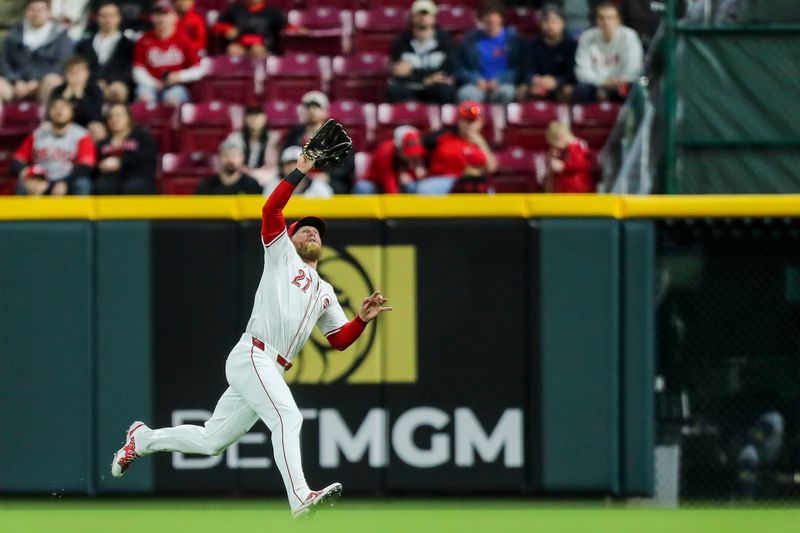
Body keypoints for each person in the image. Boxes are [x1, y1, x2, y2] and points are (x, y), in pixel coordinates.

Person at [111, 146, 392, 519]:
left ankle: (142, 439)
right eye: (304, 229)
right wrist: (300, 170)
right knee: (288, 418)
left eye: (317, 232)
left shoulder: (325, 290)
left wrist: (362, 319)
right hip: (253, 354)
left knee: (213, 441)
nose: (312, 232)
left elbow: (338, 340)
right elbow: (271, 210)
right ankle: (301, 498)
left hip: (270, 368)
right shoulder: (281, 255)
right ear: (289, 238)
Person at [12, 96, 96, 196]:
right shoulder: (38, 134)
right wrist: (27, 172)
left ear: (72, 112)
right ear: (50, 113)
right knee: (23, 183)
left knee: (82, 184)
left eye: (63, 107)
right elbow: (17, 160)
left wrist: (65, 182)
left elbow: (85, 167)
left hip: (68, 179)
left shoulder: (81, 135)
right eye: (55, 107)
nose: (59, 111)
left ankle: (79, 212)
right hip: (40, 178)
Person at [133, 0, 207, 105]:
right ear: (152, 17)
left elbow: (199, 70)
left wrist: (179, 76)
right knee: (143, 96)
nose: (161, 19)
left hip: (176, 86)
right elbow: (138, 69)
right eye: (157, 14)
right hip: (150, 85)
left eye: (165, 14)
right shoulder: (143, 40)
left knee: (173, 98)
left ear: (175, 17)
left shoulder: (183, 40)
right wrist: (154, 83)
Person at [0, 0, 73, 104]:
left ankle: (46, 118)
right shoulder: (14, 34)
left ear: (48, 12)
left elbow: (61, 64)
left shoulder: (60, 36)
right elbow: (4, 62)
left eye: (40, 10)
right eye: (32, 10)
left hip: (43, 83)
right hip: (16, 84)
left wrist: (37, 82)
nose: (35, 14)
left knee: (53, 81)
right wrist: (16, 81)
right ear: (25, 12)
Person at [282, 91, 355, 194]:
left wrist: (328, 175)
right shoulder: (294, 134)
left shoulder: (337, 135)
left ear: (326, 111)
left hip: (328, 181)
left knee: (336, 187)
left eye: (316, 107)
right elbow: (285, 158)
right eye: (308, 107)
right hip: (299, 178)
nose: (312, 111)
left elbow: (347, 164)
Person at [386, 0, 457, 105]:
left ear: (434, 18)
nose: (423, 17)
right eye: (419, 14)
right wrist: (427, 78)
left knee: (443, 90)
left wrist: (412, 72)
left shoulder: (446, 41)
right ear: (412, 17)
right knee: (396, 90)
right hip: (409, 85)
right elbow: (398, 71)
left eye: (426, 13)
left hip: (435, 85)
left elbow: (447, 69)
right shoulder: (400, 41)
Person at [420, 100, 496, 194]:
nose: (468, 125)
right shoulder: (443, 136)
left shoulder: (481, 143)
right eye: (465, 120)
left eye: (472, 121)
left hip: (468, 183)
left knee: (488, 192)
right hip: (442, 181)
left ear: (481, 123)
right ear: (458, 121)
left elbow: (491, 167)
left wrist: (480, 142)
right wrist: (419, 166)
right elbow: (419, 149)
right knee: (424, 189)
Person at [574, 1, 643, 103]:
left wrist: (618, 82)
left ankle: (630, 118)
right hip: (597, 84)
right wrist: (603, 83)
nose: (606, 22)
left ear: (618, 20)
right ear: (596, 21)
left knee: (635, 88)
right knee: (582, 89)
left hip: (622, 83)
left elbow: (634, 69)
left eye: (610, 18)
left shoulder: (629, 36)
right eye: (601, 18)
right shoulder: (587, 37)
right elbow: (581, 71)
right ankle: (583, 118)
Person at [456, 0, 522, 105]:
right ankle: (475, 121)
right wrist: (475, 79)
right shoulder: (470, 39)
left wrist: (499, 80)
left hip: (502, 84)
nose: (491, 19)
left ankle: (501, 121)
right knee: (465, 93)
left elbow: (519, 68)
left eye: (495, 15)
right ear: (481, 18)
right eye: (487, 15)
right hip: (477, 85)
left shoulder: (513, 39)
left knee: (507, 92)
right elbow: (459, 69)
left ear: (502, 18)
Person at [75, 0, 135, 104]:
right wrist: (95, 82)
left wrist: (106, 82)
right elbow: (79, 66)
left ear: (119, 18)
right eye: (103, 16)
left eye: (111, 16)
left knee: (119, 90)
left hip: (114, 84)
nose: (107, 19)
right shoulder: (85, 44)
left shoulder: (128, 45)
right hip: (88, 84)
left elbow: (128, 70)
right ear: (97, 18)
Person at [94, 103, 158, 194]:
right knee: (100, 186)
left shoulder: (142, 137)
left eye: (118, 115)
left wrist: (121, 162)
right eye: (111, 117)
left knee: (132, 187)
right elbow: (96, 163)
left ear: (128, 118)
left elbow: (147, 156)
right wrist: (100, 166)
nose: (114, 119)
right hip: (110, 179)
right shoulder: (102, 143)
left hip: (137, 176)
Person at [519, 4, 577, 103]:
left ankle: (567, 118)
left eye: (554, 21)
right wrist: (535, 80)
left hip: (560, 84)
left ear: (562, 23)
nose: (550, 25)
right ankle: (528, 117)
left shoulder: (571, 45)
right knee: (522, 90)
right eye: (546, 21)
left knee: (569, 91)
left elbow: (572, 73)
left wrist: (556, 81)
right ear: (540, 24)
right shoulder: (531, 44)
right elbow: (526, 71)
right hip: (538, 84)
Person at [354, 125, 425, 194]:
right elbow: (388, 180)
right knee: (363, 187)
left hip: (399, 182)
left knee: (415, 186)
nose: (412, 155)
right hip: (377, 183)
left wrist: (417, 174)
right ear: (398, 146)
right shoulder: (385, 151)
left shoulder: (416, 153)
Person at [221, 104, 281, 186]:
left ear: (265, 117)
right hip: (240, 178)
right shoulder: (235, 138)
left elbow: (274, 167)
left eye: (258, 115)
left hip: (266, 179)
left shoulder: (274, 138)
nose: (254, 118)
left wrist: (255, 175)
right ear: (245, 118)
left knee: (275, 184)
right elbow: (231, 160)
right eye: (250, 115)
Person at [50, 55, 105, 139]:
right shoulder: (58, 90)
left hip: (85, 126)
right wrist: (64, 98)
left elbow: (95, 117)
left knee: (96, 127)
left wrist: (79, 96)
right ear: (65, 74)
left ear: (87, 73)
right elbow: (52, 114)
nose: (74, 75)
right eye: (71, 72)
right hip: (62, 126)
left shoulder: (94, 90)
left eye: (78, 71)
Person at [213, 0, 286, 59]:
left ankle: (259, 75)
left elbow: (286, 28)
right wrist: (228, 29)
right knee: (233, 49)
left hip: (263, 45)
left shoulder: (273, 12)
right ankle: (236, 75)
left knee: (256, 50)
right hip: (240, 43)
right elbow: (217, 25)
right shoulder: (235, 9)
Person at [194, 138, 264, 195]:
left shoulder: (251, 185)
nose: (230, 160)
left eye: (234, 156)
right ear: (219, 157)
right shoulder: (206, 185)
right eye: (226, 155)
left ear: (242, 158)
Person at [264, 145, 334, 198]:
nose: (292, 168)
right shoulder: (272, 187)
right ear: (282, 167)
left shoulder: (320, 188)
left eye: (297, 163)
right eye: (288, 164)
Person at [544, 121, 594, 193]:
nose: (557, 148)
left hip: (578, 192)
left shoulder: (578, 146)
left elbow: (580, 164)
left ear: (560, 138)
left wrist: (563, 166)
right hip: (567, 192)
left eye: (556, 145)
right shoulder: (566, 149)